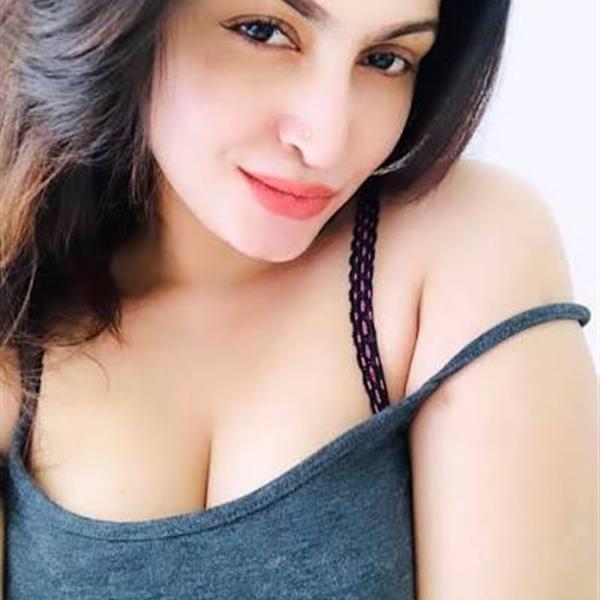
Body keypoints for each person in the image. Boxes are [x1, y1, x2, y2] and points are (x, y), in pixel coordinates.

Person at [0, 0, 595, 598]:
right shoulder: (19, 301)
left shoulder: (466, 245)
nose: (326, 141)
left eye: (386, 60)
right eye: (264, 32)